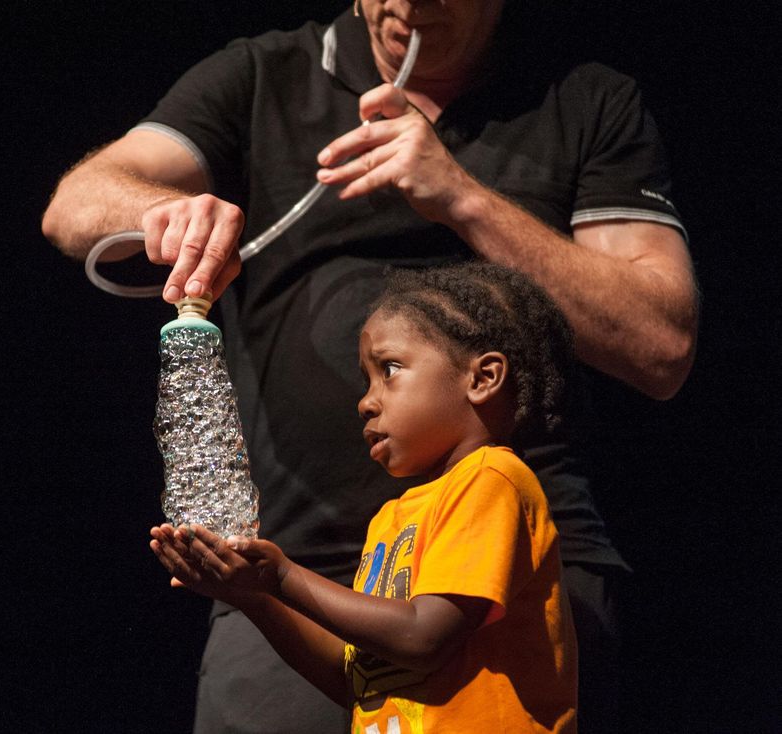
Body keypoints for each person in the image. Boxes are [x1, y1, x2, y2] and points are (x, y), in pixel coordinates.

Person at [42, 2, 699, 730]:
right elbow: (75, 206)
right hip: (299, 567)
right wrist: (166, 211)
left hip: (510, 576)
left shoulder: (583, 97)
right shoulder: (264, 72)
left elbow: (661, 344)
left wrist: (463, 198)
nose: (406, 7)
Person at [151, 262, 579, 733]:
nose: (366, 401)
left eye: (389, 370)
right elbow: (357, 678)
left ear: (482, 378)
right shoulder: (391, 518)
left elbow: (423, 637)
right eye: (366, 379)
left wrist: (283, 577)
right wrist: (252, 596)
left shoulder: (492, 480)